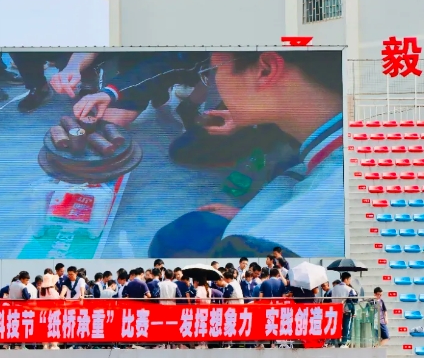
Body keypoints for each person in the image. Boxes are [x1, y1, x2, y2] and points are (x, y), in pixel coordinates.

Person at [144, 50, 342, 258]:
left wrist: (252, 226)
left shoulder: (274, 247)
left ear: (265, 70)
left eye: (214, 71)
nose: (216, 84)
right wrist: (252, 214)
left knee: (180, 239)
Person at [331, 272, 358, 348]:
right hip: (346, 310)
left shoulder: (334, 288)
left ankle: (334, 342)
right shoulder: (349, 289)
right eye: (349, 279)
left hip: (335, 310)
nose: (350, 281)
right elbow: (355, 300)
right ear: (346, 279)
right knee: (346, 326)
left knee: (336, 326)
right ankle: (344, 343)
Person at [39, 273, 60, 349]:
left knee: (44, 329)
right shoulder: (53, 291)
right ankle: (54, 344)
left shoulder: (41, 291)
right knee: (54, 328)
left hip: (44, 313)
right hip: (53, 312)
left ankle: (45, 344)